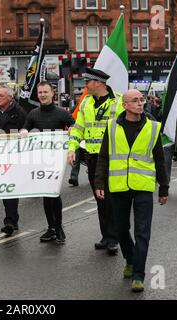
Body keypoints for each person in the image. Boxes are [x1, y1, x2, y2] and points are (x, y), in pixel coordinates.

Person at [94, 89, 169, 292]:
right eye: (135, 100)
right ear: (125, 105)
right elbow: (103, 157)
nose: (140, 103)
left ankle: (138, 275)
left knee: (142, 231)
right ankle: (129, 259)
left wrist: (164, 187)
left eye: (141, 100)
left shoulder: (153, 128)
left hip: (143, 185)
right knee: (120, 229)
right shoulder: (111, 127)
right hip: (118, 186)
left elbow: (160, 160)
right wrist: (99, 183)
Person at [68, 67, 124, 255]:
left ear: (98, 83)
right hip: (93, 158)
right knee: (100, 198)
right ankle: (106, 236)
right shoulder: (86, 103)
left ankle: (114, 238)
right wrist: (72, 148)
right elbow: (78, 128)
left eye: (88, 82)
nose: (85, 85)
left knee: (111, 199)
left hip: (113, 158)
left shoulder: (119, 101)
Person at [22, 81, 75, 244]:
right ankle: (51, 228)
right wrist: (24, 131)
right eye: (40, 92)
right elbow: (25, 128)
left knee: (54, 194)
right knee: (46, 195)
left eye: (46, 92)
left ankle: (58, 228)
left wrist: (72, 128)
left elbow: (75, 126)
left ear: (53, 93)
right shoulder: (33, 114)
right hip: (40, 160)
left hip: (56, 161)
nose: (43, 95)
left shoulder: (61, 113)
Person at [0, 85, 27, 236]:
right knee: (3, 187)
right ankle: (12, 219)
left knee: (11, 186)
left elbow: (26, 130)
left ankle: (10, 220)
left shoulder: (19, 113)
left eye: (1, 96)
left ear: (10, 98)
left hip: (14, 156)